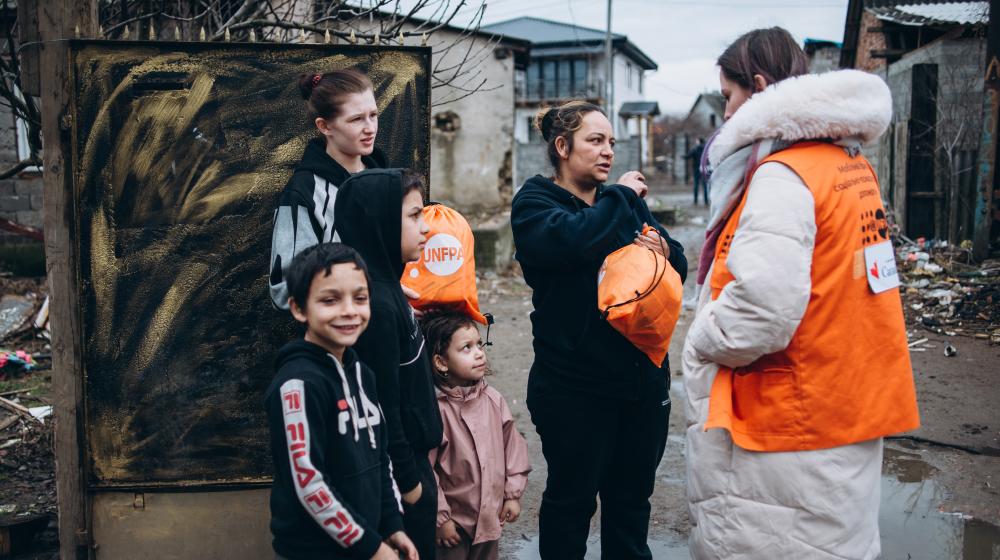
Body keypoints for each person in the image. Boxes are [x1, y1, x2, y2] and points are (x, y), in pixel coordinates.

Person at [683, 27, 920, 559]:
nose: (725, 114)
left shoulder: (782, 176)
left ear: (759, 87)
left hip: (785, 429)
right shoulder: (847, 165)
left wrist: (701, 337)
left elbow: (761, 311)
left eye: (729, 96)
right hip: (845, 403)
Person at [510, 101, 687, 559]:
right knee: (570, 504)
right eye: (595, 140)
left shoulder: (618, 203)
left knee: (630, 506)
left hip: (641, 385)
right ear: (562, 146)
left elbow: (680, 264)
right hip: (574, 388)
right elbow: (575, 240)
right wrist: (624, 198)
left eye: (611, 141)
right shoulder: (535, 203)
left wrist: (661, 246)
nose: (608, 151)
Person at [264, 242, 418, 560]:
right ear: (299, 308)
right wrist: (371, 547)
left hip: (366, 543)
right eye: (330, 300)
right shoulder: (297, 385)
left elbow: (380, 455)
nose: (349, 310)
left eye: (359, 298)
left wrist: (392, 525)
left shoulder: (362, 373)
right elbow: (309, 483)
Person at [335, 168, 444, 560]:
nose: (426, 228)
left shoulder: (389, 290)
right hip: (401, 481)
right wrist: (409, 482)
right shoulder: (376, 308)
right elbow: (383, 404)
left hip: (413, 468)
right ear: (379, 222)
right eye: (414, 216)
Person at [269, 69, 385, 310]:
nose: (370, 127)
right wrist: (371, 292)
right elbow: (284, 288)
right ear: (325, 126)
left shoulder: (388, 178)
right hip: (340, 338)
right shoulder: (304, 192)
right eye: (356, 119)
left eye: (373, 115)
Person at [422, 311, 531, 560]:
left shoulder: (493, 400)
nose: (479, 353)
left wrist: (512, 495)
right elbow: (426, 471)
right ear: (441, 362)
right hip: (453, 526)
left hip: (490, 520)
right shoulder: (435, 409)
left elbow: (513, 451)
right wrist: (441, 519)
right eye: (466, 348)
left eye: (479, 344)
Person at [685, 138, 707, 205]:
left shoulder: (695, 148)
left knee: (696, 185)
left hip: (696, 169)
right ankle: (706, 201)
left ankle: (695, 201)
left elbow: (688, 156)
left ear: (699, 141)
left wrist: (682, 156)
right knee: (705, 186)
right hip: (704, 169)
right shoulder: (706, 149)